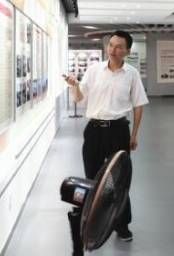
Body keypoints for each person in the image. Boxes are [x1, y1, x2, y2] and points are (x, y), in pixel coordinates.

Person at [64, 31, 149, 242]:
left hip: (118, 131)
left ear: (127, 51)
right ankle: (92, 223)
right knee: (92, 179)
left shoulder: (131, 74)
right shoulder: (94, 70)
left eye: (119, 46)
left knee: (118, 180)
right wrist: (75, 86)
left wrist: (134, 134)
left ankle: (122, 224)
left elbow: (138, 105)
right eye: (110, 45)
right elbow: (79, 99)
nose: (113, 49)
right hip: (93, 130)